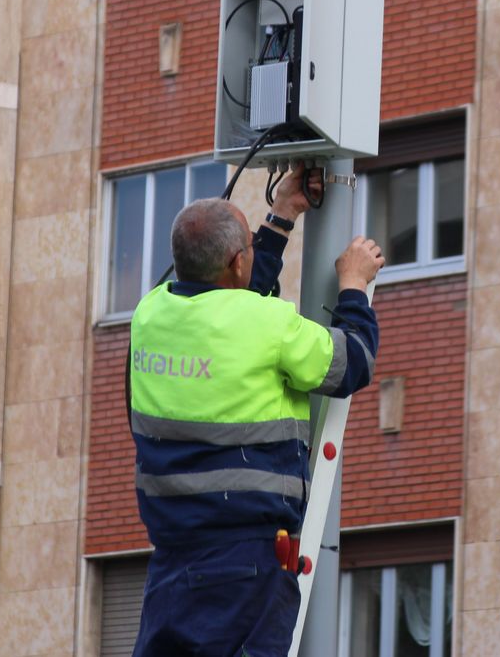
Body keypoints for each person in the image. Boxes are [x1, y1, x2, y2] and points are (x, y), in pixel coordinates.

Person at [127, 169, 383, 657]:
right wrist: (353, 286)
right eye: (248, 246)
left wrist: (282, 214)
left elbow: (230, 298)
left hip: (173, 560)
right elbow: (352, 363)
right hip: (248, 561)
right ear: (237, 262)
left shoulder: (150, 315)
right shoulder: (267, 325)